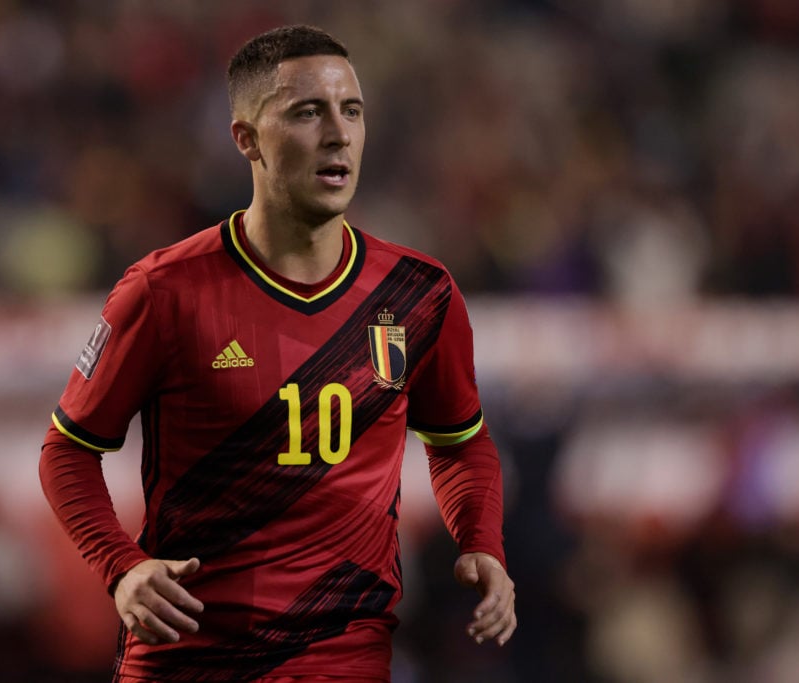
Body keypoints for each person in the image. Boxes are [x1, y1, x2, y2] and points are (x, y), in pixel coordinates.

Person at [39, 24, 516, 683]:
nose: (338, 132)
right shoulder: (165, 292)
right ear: (246, 139)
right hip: (195, 660)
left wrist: (481, 541)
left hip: (344, 662)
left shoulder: (419, 293)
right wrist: (121, 566)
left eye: (351, 111)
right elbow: (67, 450)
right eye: (306, 112)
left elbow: (461, 441)